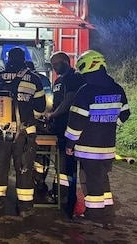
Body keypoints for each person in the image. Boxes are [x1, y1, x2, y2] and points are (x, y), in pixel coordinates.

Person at [65, 50, 130, 229]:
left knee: (90, 182)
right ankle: (107, 215)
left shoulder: (85, 92)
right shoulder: (118, 89)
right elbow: (125, 114)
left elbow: (76, 122)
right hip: (107, 147)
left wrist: (70, 144)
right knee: (102, 180)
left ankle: (95, 216)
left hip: (88, 147)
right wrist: (108, 125)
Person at [0, 47, 46, 218]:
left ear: (8, 59)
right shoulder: (34, 79)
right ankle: (25, 208)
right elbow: (41, 107)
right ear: (24, 59)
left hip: (1, 131)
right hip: (25, 133)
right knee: (24, 169)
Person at [44, 52, 86, 216]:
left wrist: (53, 114)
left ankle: (69, 199)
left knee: (69, 166)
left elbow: (68, 101)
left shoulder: (74, 78)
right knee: (61, 164)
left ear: (65, 62)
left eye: (56, 64)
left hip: (71, 128)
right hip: (59, 128)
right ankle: (60, 193)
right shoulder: (59, 80)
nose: (54, 68)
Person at [24, 60, 53, 195]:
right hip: (39, 124)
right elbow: (48, 103)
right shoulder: (41, 79)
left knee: (24, 153)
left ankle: (27, 180)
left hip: (23, 124)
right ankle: (39, 181)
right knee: (41, 154)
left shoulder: (19, 79)